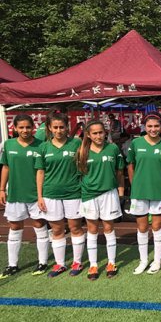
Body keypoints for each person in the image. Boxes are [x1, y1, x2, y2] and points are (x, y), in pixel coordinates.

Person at [35, 113, 86, 278]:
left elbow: (84, 165)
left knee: (75, 227)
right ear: (49, 128)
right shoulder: (44, 147)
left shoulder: (76, 143)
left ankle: (77, 261)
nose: (58, 130)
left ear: (67, 127)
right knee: (57, 230)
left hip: (73, 192)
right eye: (55, 127)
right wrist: (40, 196)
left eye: (62, 127)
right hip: (50, 193)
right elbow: (40, 172)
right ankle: (60, 264)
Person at [0, 115, 49, 279]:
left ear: (33, 128)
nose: (25, 130)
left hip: (36, 195)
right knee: (14, 227)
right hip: (15, 194)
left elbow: (43, 171)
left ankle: (43, 262)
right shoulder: (9, 144)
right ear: (14, 128)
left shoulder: (41, 145)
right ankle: (12, 265)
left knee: (39, 225)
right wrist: (2, 189)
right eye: (21, 127)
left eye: (28, 127)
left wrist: (42, 194)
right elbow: (6, 167)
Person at [76, 121, 125, 280]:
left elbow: (119, 171)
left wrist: (121, 189)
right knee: (92, 229)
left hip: (109, 193)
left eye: (101, 132)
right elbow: (79, 174)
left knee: (108, 227)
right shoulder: (82, 151)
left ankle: (111, 262)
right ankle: (93, 264)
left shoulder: (113, 148)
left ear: (106, 133)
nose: (98, 136)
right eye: (94, 133)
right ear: (88, 135)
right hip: (89, 194)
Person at [127, 111, 161, 275]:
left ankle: (157, 261)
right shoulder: (136, 144)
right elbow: (130, 166)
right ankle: (143, 260)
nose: (153, 129)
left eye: (156, 126)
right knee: (142, 227)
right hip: (139, 192)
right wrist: (135, 185)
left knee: (157, 226)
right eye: (150, 126)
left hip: (159, 192)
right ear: (144, 126)